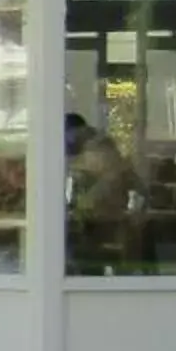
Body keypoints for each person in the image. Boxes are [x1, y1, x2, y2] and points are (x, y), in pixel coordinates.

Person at [65, 112, 132, 265]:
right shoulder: (88, 149)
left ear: (77, 131)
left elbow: (111, 180)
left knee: (89, 263)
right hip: (95, 218)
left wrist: (84, 203)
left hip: (103, 220)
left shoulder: (98, 149)